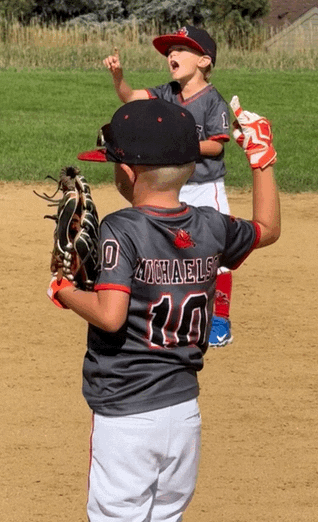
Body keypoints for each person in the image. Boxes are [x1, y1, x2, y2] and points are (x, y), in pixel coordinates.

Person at [47, 98, 280, 522]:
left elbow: (109, 314)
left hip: (127, 415)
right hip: (183, 414)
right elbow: (267, 228)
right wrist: (263, 162)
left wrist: (63, 290)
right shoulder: (210, 226)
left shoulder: (121, 229)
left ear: (128, 174)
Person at [103, 25, 236, 349]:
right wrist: (119, 77)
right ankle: (169, 310)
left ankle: (219, 320)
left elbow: (216, 145)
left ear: (204, 60)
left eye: (181, 49)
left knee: (218, 254)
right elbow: (130, 97)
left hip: (205, 186)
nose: (172, 55)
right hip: (172, 187)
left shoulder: (213, 101)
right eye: (169, 51)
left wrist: (177, 144)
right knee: (169, 249)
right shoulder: (167, 93)